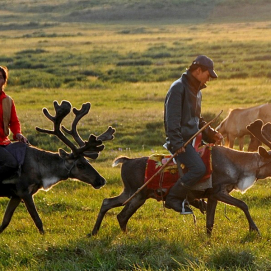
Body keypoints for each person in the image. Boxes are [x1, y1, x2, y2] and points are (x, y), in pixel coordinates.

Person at [164, 55, 223, 214]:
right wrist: (177, 144)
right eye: (208, 74)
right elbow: (172, 120)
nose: (209, 79)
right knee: (198, 168)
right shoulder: (178, 88)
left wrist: (211, 134)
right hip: (182, 143)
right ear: (198, 71)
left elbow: (197, 120)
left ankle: (193, 197)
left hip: (194, 141)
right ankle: (173, 198)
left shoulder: (197, 92)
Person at [0, 66, 28, 180]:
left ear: (4, 81)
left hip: (4, 142)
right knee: (11, 163)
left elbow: (14, 122)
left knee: (25, 158)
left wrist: (18, 134)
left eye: (0, 77)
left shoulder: (8, 101)